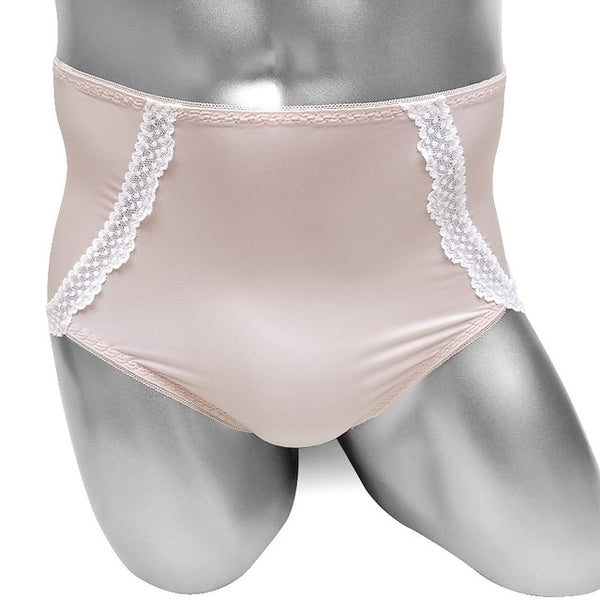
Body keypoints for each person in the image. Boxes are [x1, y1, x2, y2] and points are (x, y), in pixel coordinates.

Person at [48, 1, 600, 595]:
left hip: (428, 301)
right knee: (191, 563)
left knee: (572, 556)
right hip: (149, 297)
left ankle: (375, 419)